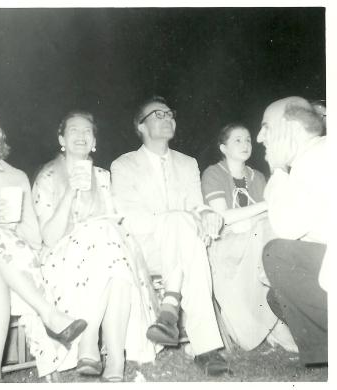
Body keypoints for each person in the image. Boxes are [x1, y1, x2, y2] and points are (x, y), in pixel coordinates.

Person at [0, 110, 87, 382]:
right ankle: (49, 314)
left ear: (0, 137)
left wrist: (14, 229)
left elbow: (33, 235)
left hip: (11, 256)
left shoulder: (16, 176)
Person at [32, 110, 160, 382]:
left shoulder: (102, 176)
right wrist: (71, 192)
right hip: (64, 263)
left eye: (87, 132)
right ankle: (106, 351)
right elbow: (49, 238)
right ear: (61, 139)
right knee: (108, 245)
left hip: (106, 255)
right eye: (74, 131)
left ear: (94, 143)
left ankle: (105, 353)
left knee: (114, 261)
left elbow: (114, 220)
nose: (81, 136)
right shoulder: (48, 176)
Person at [111, 96, 231, 376]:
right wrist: (176, 219)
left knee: (189, 242)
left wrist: (206, 214)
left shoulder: (188, 163)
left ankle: (170, 309)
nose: (168, 119)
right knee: (182, 230)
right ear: (140, 126)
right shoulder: (124, 165)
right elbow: (130, 218)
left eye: (170, 114)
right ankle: (206, 347)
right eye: (159, 115)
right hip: (146, 249)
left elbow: (196, 204)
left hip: (185, 245)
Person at [201, 123, 296, 351]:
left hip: (256, 239)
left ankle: (276, 321)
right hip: (225, 244)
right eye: (237, 140)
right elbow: (224, 217)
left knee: (266, 225)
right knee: (263, 225)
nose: (245, 144)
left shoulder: (258, 176)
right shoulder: (213, 173)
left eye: (248, 140)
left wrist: (259, 213)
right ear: (223, 148)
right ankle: (272, 281)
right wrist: (265, 205)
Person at [257, 96, 327, 367]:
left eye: (266, 127)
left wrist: (276, 169)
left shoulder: (315, 158)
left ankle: (324, 353)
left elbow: (287, 228)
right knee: (277, 297)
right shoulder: (316, 153)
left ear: (292, 128)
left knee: (277, 254)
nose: (260, 137)